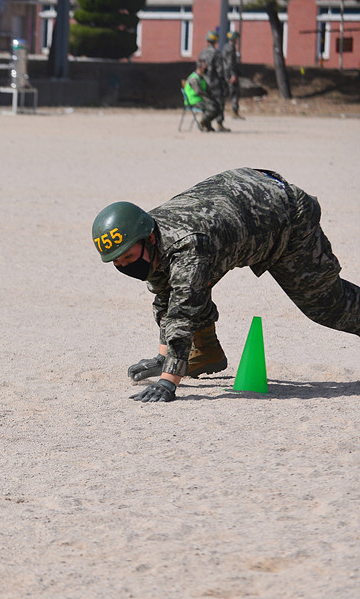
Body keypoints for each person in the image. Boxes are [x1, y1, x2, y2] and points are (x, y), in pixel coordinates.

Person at [91, 168, 359, 403]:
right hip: (244, 202)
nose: (125, 265)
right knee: (185, 285)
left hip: (284, 214)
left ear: (148, 238)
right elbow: (167, 295)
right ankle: (207, 352)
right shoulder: (146, 233)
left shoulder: (187, 246)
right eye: (117, 261)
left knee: (328, 306)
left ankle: (201, 352)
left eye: (128, 256)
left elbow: (184, 310)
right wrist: (164, 358)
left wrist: (168, 382)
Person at [197, 30, 230, 132]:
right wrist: (224, 83)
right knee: (219, 103)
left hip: (203, 82)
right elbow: (220, 70)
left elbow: (198, 68)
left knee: (208, 103)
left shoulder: (201, 53)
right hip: (214, 83)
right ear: (216, 41)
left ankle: (207, 123)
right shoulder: (216, 54)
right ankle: (219, 124)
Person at [184, 59, 223, 132]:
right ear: (199, 68)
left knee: (218, 106)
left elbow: (206, 90)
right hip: (193, 101)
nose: (206, 69)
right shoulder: (194, 78)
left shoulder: (201, 78)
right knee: (212, 108)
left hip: (200, 99)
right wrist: (209, 99)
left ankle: (206, 123)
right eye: (204, 67)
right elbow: (199, 92)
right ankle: (203, 122)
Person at [222, 30, 245, 119]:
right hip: (230, 73)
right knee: (235, 92)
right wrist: (233, 74)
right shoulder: (231, 48)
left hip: (224, 72)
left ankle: (220, 111)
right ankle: (235, 112)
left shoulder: (225, 46)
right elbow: (230, 62)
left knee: (225, 92)